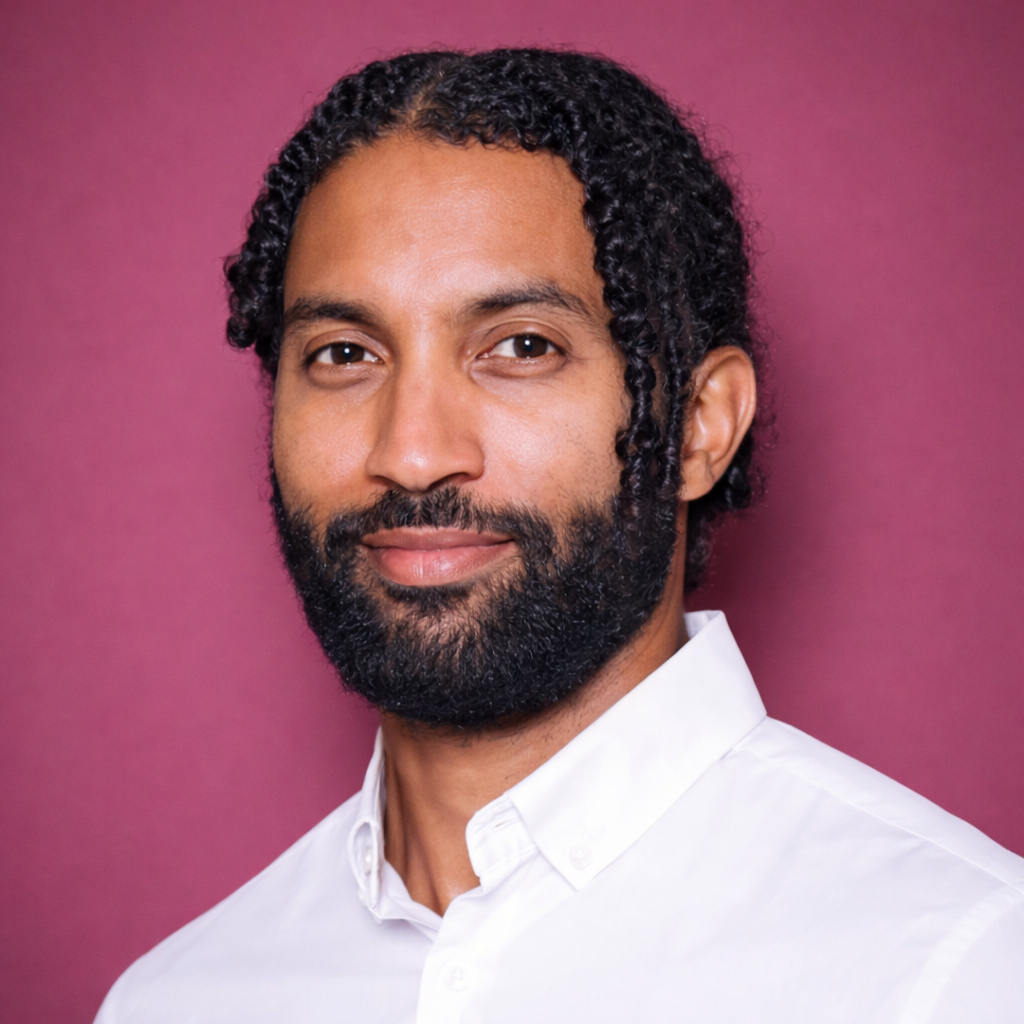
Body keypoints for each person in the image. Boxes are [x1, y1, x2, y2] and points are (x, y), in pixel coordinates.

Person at [95, 49, 1024, 1023]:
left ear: (701, 423)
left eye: (521, 347)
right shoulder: (176, 999)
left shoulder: (959, 968)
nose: (412, 454)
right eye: (344, 353)